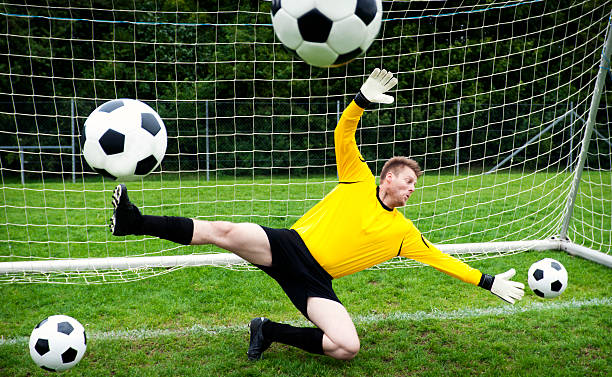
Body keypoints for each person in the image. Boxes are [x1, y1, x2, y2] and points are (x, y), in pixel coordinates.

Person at [110, 68, 525, 361]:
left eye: (416, 185)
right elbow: (344, 133)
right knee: (222, 230)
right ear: (387, 179)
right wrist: (361, 102)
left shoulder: (403, 233)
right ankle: (133, 222)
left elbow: (442, 259)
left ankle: (267, 330)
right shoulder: (357, 179)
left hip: (314, 280)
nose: (413, 188)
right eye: (408, 181)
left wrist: (487, 281)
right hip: (289, 247)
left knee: (346, 346)